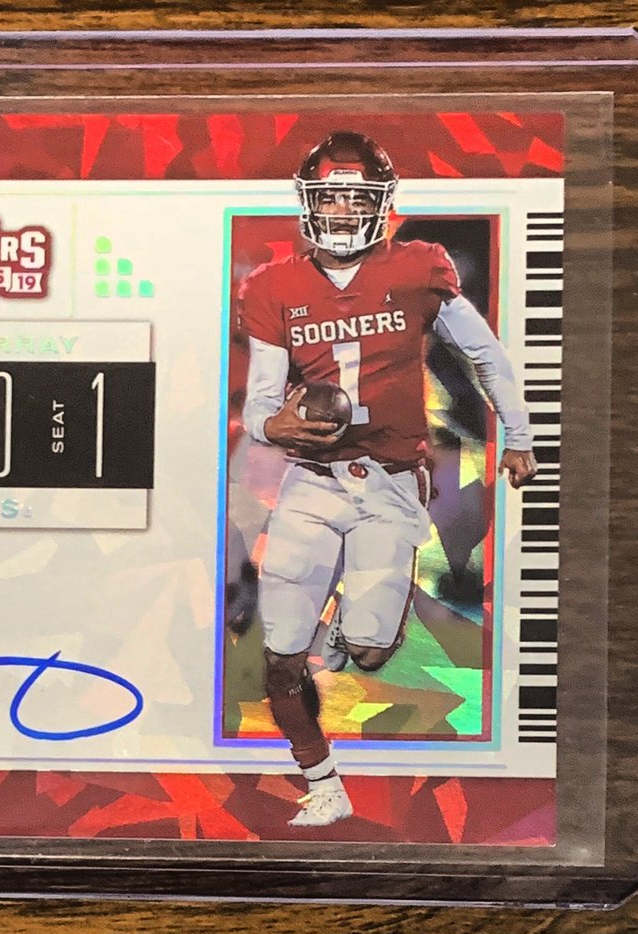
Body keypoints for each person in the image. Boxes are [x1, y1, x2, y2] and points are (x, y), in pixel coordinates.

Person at [237, 131, 537, 827]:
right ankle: (324, 784)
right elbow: (259, 406)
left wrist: (519, 436)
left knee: (371, 652)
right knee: (281, 662)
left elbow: (485, 354)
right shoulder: (274, 285)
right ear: (309, 203)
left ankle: (346, 624)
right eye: (331, 196)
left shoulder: (417, 267)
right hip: (312, 484)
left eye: (357, 197)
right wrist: (274, 427)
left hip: (390, 482)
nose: (343, 210)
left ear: (381, 204)